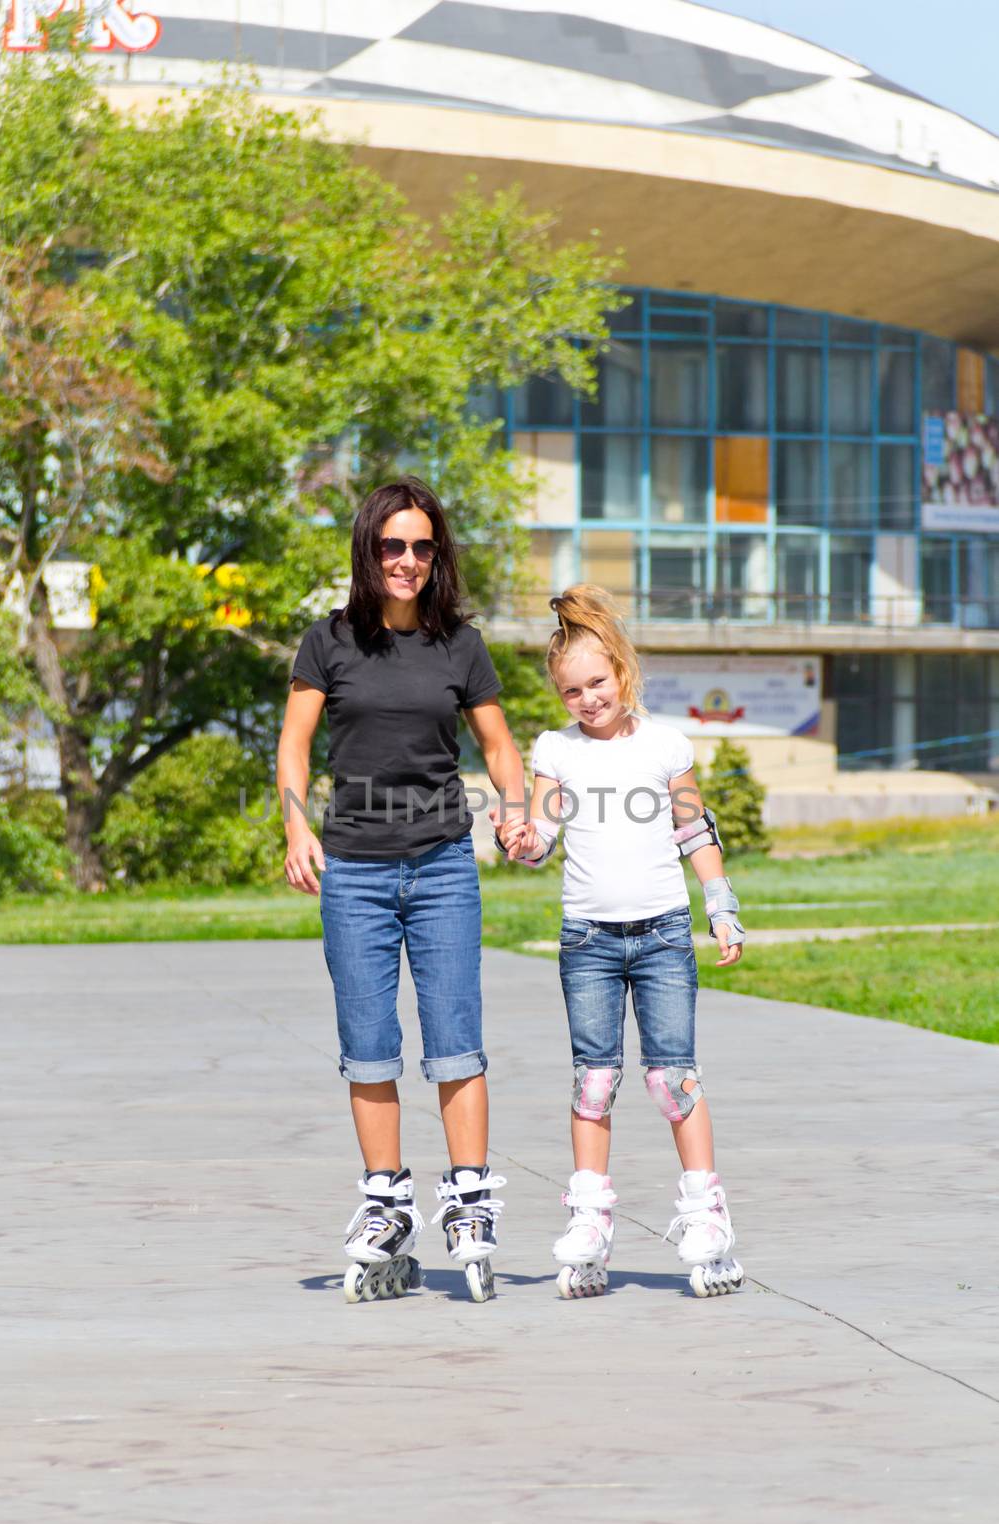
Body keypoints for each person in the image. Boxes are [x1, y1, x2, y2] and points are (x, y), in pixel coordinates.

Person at [278, 477, 528, 1304]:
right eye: (392, 545)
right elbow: (294, 744)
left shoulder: (461, 645)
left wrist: (517, 810)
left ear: (437, 555)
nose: (408, 560)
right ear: (368, 549)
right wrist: (295, 826)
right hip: (353, 869)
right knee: (368, 1040)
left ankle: (467, 1200)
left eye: (422, 547)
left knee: (456, 1035)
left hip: (443, 866)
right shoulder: (329, 642)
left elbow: (496, 745)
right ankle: (386, 1201)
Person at [506, 585, 747, 1300]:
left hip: (664, 935)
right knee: (594, 1081)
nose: (585, 699)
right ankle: (588, 1221)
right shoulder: (554, 750)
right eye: (570, 690)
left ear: (622, 671)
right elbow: (542, 835)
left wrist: (720, 905)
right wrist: (520, 839)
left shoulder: (666, 743)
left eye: (596, 683)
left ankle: (706, 1216)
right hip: (587, 940)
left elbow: (692, 831)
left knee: (672, 1080)